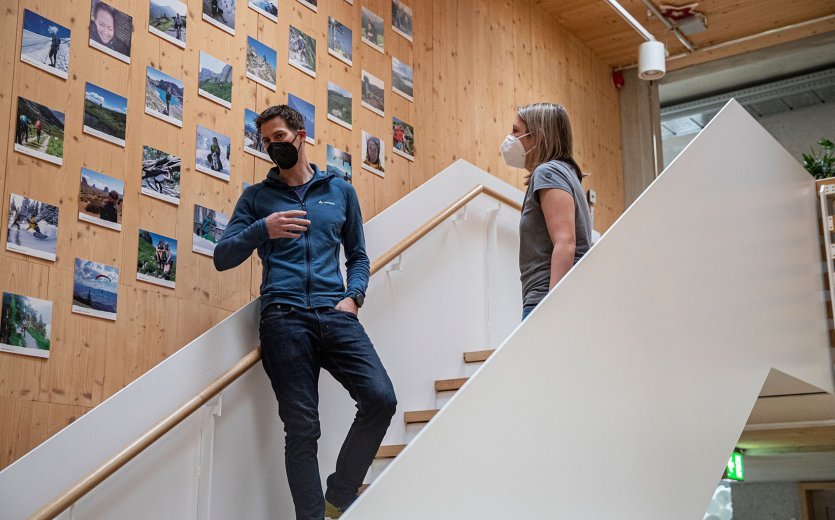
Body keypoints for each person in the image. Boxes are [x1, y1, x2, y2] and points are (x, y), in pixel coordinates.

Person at [214, 105, 396, 520]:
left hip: (336, 314)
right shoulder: (257, 198)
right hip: (283, 318)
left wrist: (354, 297)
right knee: (302, 429)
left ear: (301, 135)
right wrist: (265, 229)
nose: (272, 147)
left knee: (380, 397)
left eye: (278, 137)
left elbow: (359, 256)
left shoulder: (340, 191)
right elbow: (223, 256)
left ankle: (339, 494)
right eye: (265, 142)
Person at [501, 102, 592, 321]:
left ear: (538, 136)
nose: (510, 138)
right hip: (556, 298)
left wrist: (551, 310)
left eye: (516, 131)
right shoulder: (565, 174)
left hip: (545, 300)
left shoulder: (548, 172)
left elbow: (566, 242)